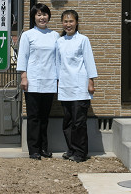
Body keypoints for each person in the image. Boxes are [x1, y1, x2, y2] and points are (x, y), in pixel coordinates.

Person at [16, 3, 60, 160]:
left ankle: (43, 148)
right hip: (33, 82)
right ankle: (33, 150)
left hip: (49, 81)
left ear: (49, 16)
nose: (42, 17)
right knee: (33, 117)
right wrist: (24, 77)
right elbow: (23, 57)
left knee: (44, 117)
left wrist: (58, 79)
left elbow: (58, 59)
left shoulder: (54, 35)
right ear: (34, 17)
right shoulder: (28, 35)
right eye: (39, 15)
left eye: (45, 14)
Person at [56, 10, 98, 163]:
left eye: (71, 21)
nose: (68, 24)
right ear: (62, 23)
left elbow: (89, 61)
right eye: (65, 21)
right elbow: (58, 63)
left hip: (80, 86)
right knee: (67, 121)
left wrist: (90, 81)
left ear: (77, 22)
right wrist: (58, 79)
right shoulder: (59, 41)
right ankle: (71, 149)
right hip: (65, 86)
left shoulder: (83, 40)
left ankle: (80, 152)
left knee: (79, 122)